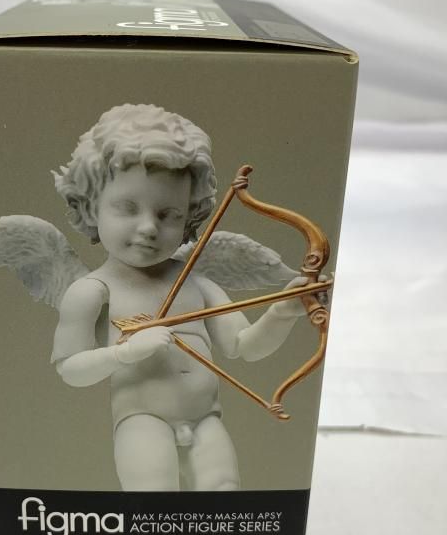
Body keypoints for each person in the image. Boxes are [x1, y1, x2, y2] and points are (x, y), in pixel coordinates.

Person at [51, 104, 307, 491]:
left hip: (206, 420)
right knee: (154, 497)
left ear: (190, 216)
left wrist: (283, 312)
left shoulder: (196, 283)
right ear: (90, 207)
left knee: (224, 493)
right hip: (142, 420)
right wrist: (123, 354)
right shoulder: (93, 290)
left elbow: (244, 346)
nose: (148, 227)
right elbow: (70, 369)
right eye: (127, 208)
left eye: (168, 214)